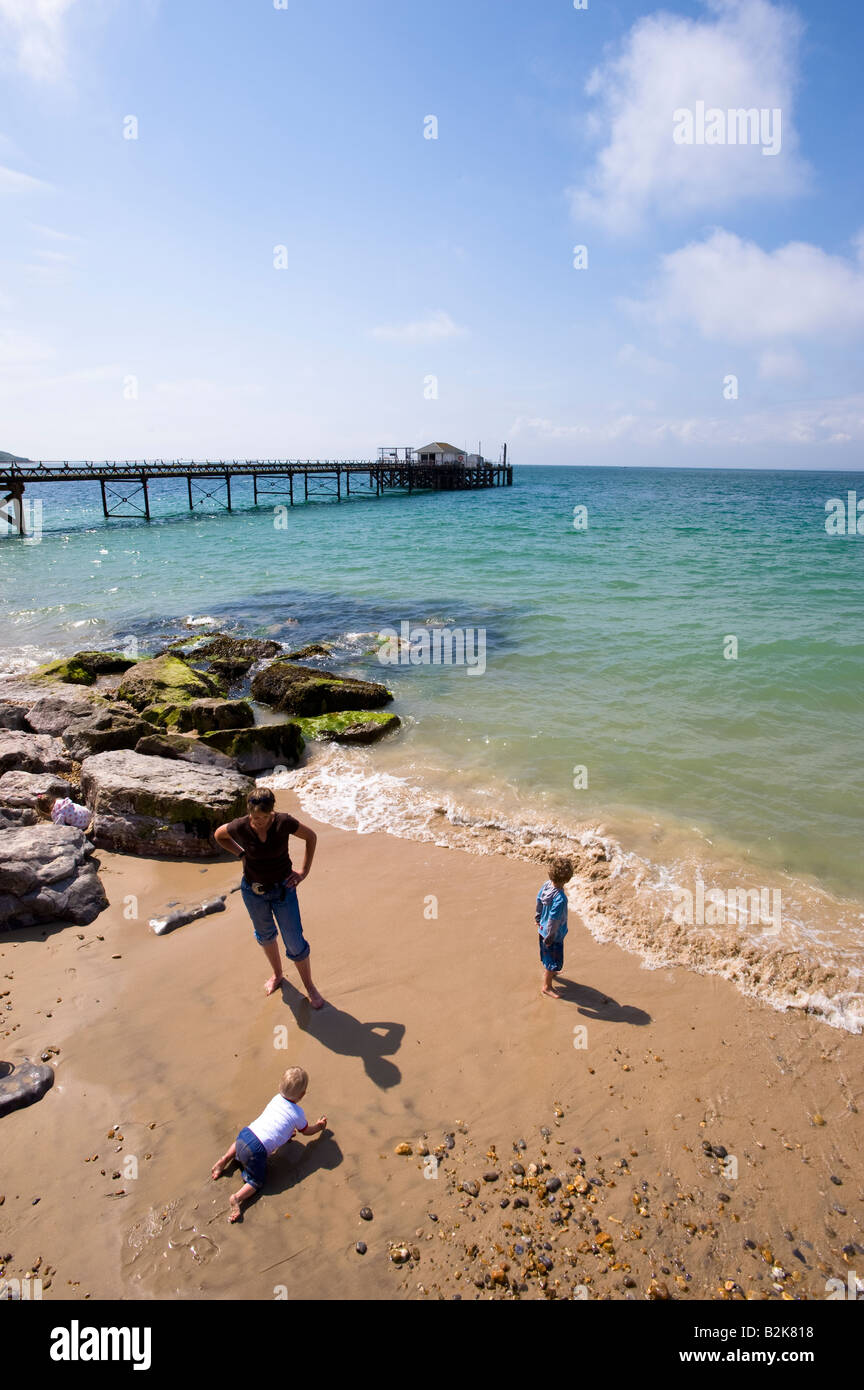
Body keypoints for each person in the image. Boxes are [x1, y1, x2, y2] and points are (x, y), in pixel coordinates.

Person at [214, 788, 323, 1005]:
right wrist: (241, 854)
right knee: (265, 935)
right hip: (253, 892)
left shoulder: (283, 822)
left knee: (294, 942)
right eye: (255, 817)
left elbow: (311, 837)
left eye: (264, 817)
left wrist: (304, 872)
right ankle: (278, 975)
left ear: (272, 812)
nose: (260, 821)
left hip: (283, 890)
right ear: (249, 813)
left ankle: (310, 986)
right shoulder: (241, 826)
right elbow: (219, 835)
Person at [210, 1065, 327, 1222]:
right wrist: (319, 1126)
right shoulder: (298, 1113)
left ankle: (224, 1160)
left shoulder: (276, 1099)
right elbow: (305, 1131)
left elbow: (276, 1124)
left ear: (280, 1087)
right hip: (256, 1151)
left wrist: (286, 1134)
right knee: (257, 1181)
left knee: (240, 1142)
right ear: (303, 1094)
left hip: (245, 1135)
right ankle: (237, 1198)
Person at [535, 856, 573, 998]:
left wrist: (538, 917)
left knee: (548, 957)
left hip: (542, 929)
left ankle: (551, 972)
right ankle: (547, 986)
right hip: (553, 936)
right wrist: (551, 937)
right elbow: (553, 919)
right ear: (567, 879)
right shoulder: (560, 898)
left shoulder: (546, 885)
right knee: (552, 961)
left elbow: (539, 901)